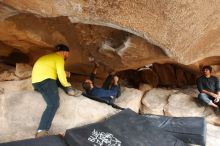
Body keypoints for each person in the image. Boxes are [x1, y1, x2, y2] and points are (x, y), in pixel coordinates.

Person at [32, 44, 80, 138]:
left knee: (59, 79)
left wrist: (65, 73)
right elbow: (60, 74)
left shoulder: (48, 57)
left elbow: (55, 71)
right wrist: (67, 85)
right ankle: (42, 131)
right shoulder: (59, 58)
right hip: (46, 81)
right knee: (53, 104)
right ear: (64, 52)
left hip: (36, 82)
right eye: (67, 54)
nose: (67, 56)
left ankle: (68, 90)